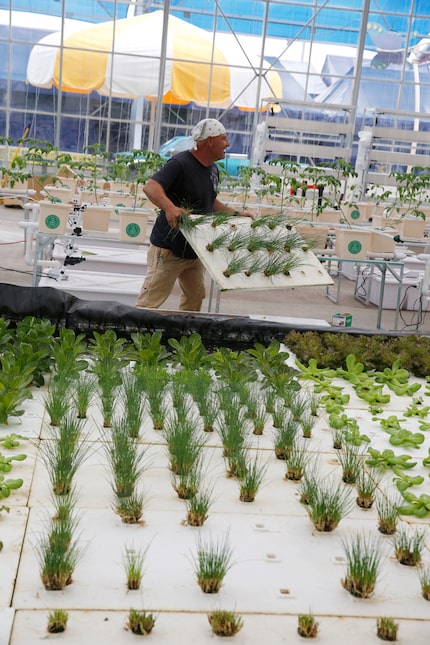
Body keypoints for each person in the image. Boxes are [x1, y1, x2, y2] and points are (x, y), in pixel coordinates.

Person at [135, 118, 251, 312]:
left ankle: (186, 336)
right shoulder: (180, 164)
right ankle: (133, 335)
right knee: (151, 300)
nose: (228, 144)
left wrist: (237, 214)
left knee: (195, 297)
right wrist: (171, 208)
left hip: (195, 249)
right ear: (210, 141)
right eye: (224, 139)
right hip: (169, 249)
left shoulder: (212, 169)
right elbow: (151, 186)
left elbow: (210, 201)